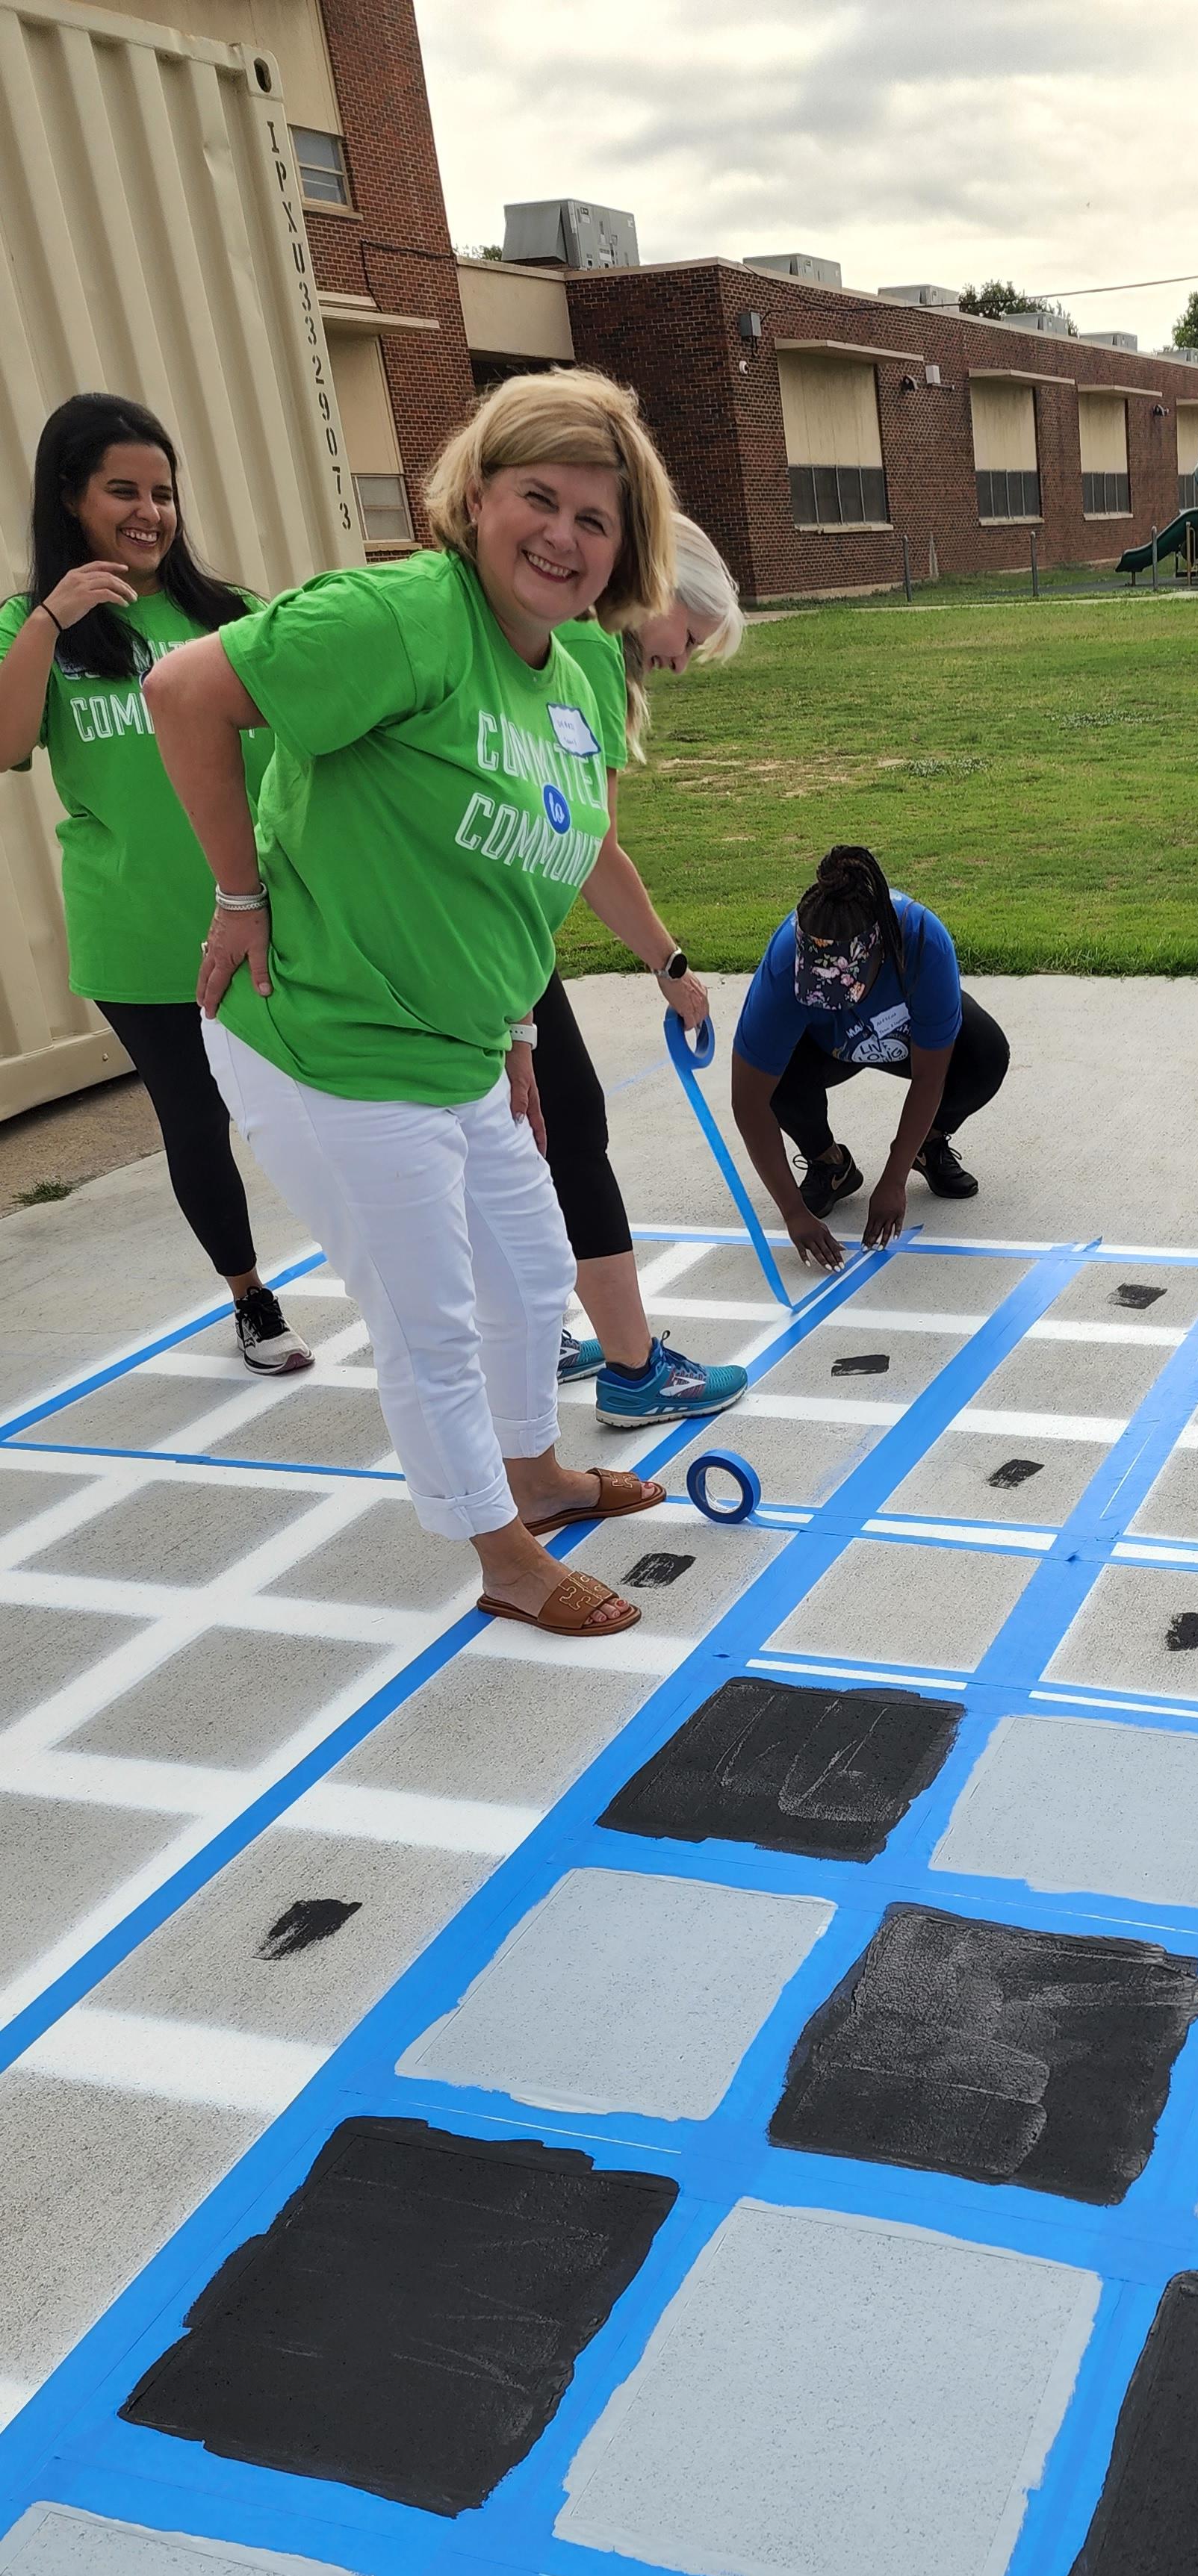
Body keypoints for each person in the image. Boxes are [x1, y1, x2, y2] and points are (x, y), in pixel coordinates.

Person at [146, 370, 684, 1637]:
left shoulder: (578, 671)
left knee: (533, 1271)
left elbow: (533, 861)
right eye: (537, 499)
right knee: (427, 1320)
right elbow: (182, 692)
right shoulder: (402, 617)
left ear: (626, 550)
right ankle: (503, 1557)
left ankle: (535, 1476)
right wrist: (238, 892)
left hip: (459, 1047)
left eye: (595, 520)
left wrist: (516, 1026)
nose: (562, 537)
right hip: (326, 1039)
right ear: (477, 496)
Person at [0, 394, 310, 1370]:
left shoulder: (228, 613)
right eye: (123, 491)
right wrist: (51, 618)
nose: (150, 512)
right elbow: (4, 743)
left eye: (163, 493)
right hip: (137, 933)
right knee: (197, 1120)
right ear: (70, 498)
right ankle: (251, 1297)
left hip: (264, 914)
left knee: (324, 1104)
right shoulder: (32, 628)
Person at [537, 515, 752, 1425]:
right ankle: (632, 1371)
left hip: (495, 937)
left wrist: (667, 963)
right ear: (659, 589)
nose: (684, 662)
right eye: (691, 637)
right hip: (483, 944)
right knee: (569, 1131)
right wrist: (670, 965)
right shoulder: (587, 653)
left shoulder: (569, 641)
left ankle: (532, 1331)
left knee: (519, 1142)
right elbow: (597, 848)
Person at [729, 845, 1009, 1269]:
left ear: (879, 948)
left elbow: (930, 1077)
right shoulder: (785, 963)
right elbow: (748, 1101)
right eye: (818, 988)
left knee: (984, 1054)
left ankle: (927, 1144)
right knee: (772, 1079)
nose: (833, 1001)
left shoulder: (924, 944)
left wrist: (895, 1178)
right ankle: (829, 1164)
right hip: (825, 1049)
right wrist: (793, 1213)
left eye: (844, 987)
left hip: (906, 1040)